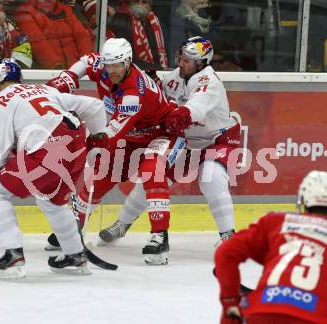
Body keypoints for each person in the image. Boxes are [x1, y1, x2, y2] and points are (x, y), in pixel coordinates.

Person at [47, 38, 180, 265]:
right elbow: (87, 60)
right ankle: (71, 229)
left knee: (151, 171)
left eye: (117, 65)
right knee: (101, 175)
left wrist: (89, 143)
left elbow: (111, 132)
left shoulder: (134, 93)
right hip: (132, 134)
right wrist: (67, 78)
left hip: (162, 133)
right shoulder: (105, 67)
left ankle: (160, 236)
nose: (112, 70)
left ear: (128, 61)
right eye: (108, 65)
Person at [98, 36, 240, 248]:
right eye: (180, 58)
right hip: (185, 140)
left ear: (201, 63)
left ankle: (229, 236)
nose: (181, 63)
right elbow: (161, 100)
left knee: (212, 179)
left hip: (217, 140)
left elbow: (197, 107)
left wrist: (181, 113)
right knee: (153, 178)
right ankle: (122, 223)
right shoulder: (176, 76)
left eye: (187, 61)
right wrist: (154, 85)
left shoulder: (208, 81)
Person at [0, 58, 108, 279]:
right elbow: (95, 106)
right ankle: (74, 256)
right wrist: (98, 137)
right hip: (77, 146)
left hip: (49, 150)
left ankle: (13, 256)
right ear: (20, 78)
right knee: (51, 201)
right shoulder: (43, 90)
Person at [215, 170, 327, 324]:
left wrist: (230, 303)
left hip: (261, 313)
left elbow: (226, 252)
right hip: (316, 318)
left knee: (232, 317)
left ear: (302, 202)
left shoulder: (275, 221)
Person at [14, 0, 93, 69]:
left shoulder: (66, 10)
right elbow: (38, 45)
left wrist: (85, 63)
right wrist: (56, 67)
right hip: (49, 73)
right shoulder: (25, 12)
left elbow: (82, 38)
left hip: (78, 70)